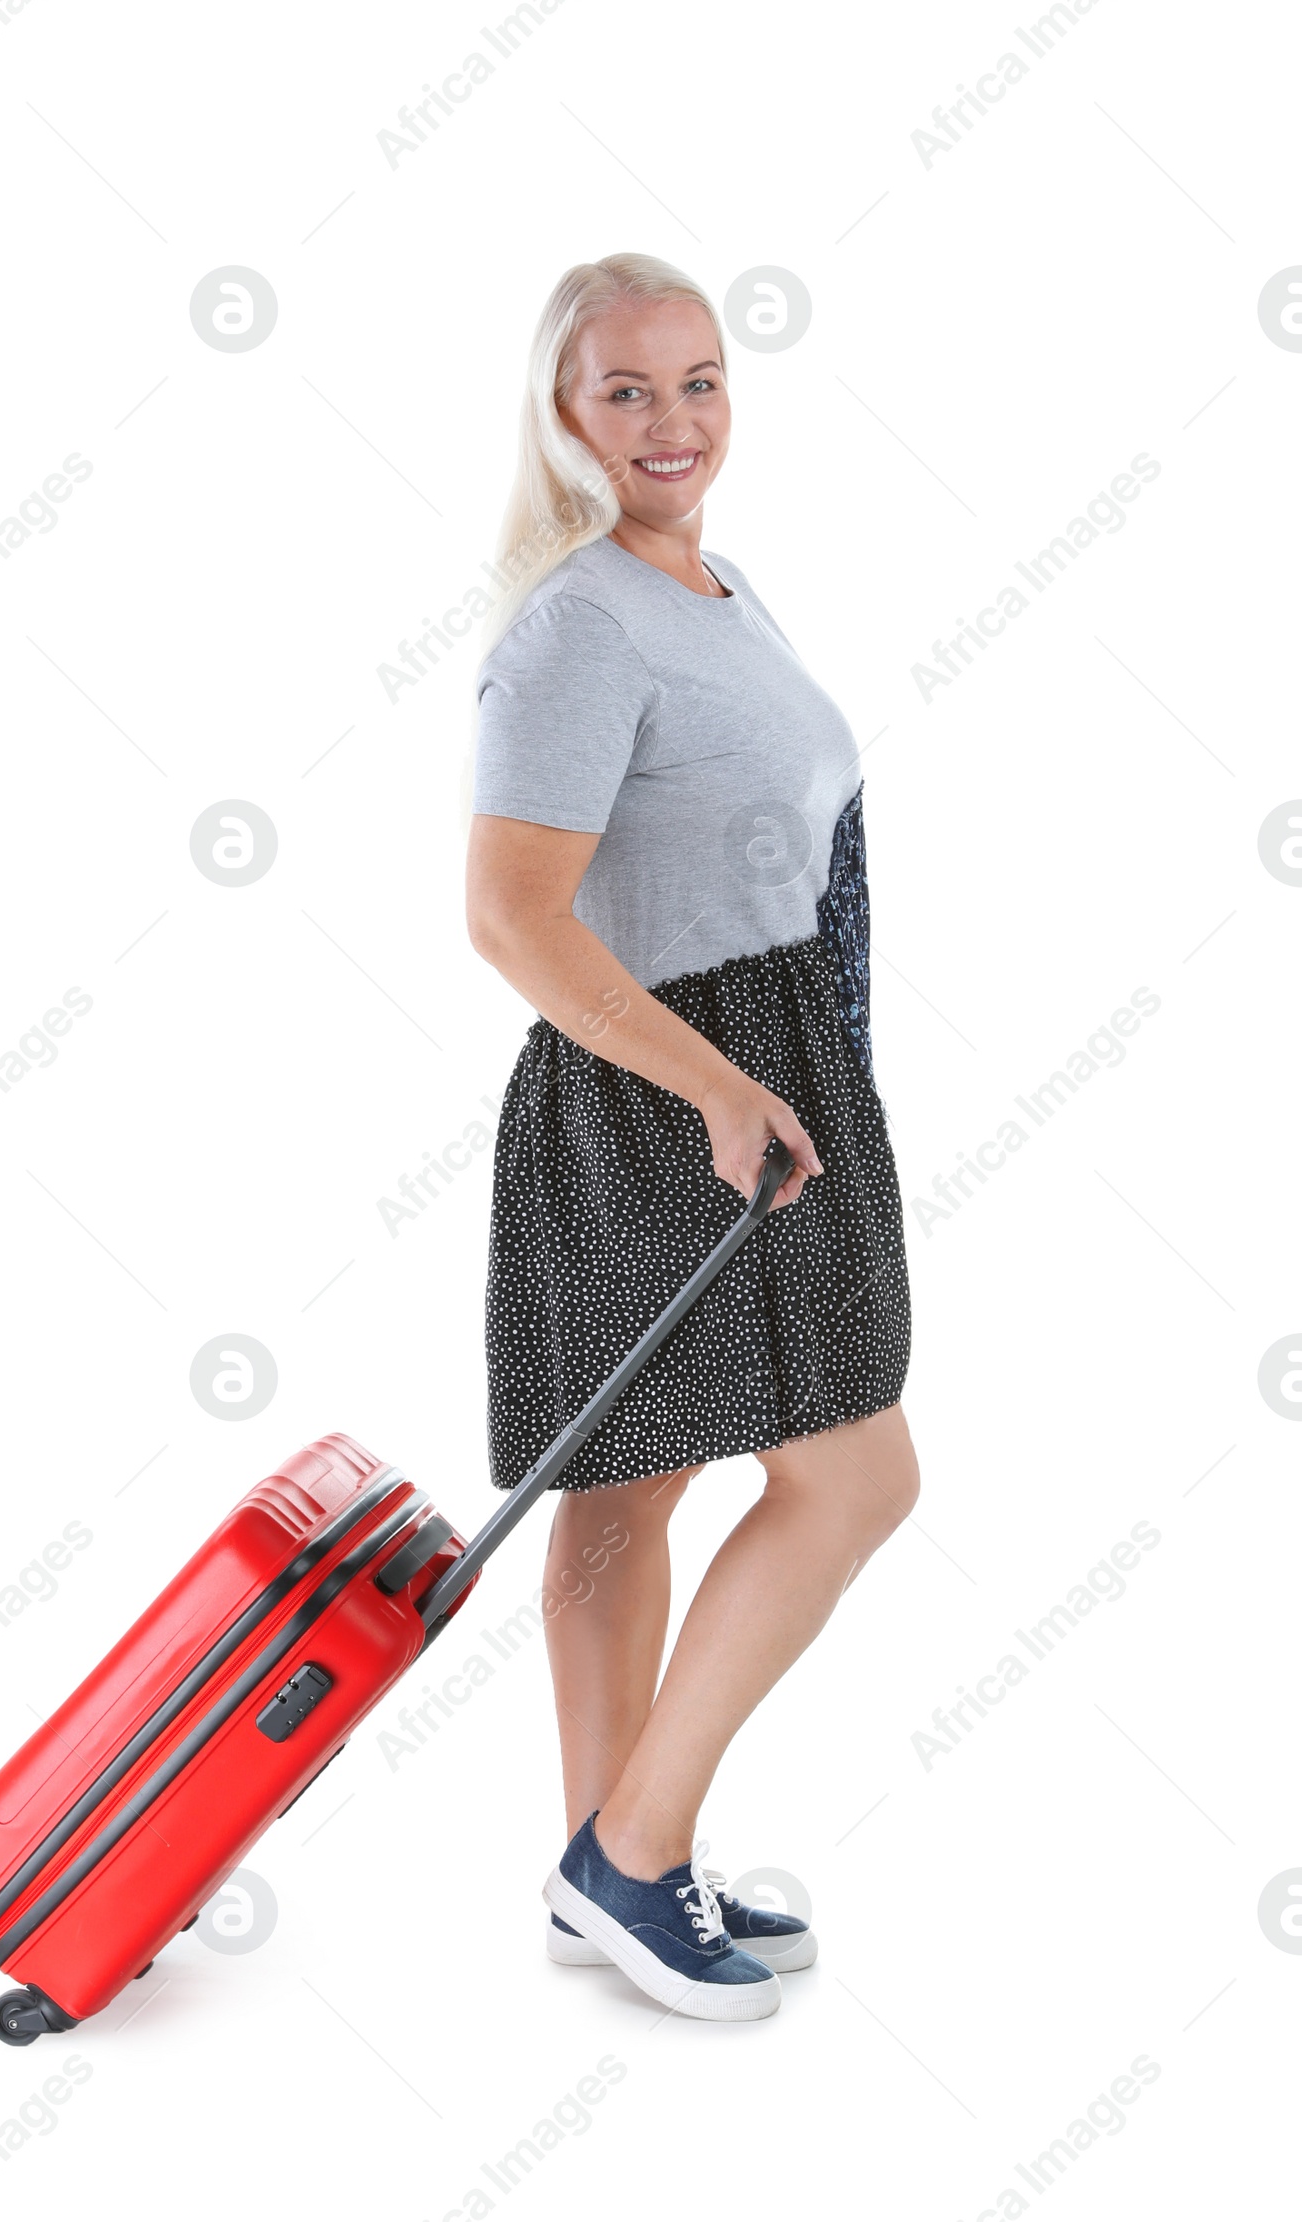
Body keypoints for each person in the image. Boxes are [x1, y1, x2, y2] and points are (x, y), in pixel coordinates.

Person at [465, 252, 919, 2023]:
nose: (675, 421)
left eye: (701, 381)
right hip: (671, 1088)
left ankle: (605, 1863)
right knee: (856, 1475)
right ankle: (634, 1851)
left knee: (629, 1494)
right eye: (628, 392)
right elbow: (510, 916)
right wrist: (724, 1085)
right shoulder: (579, 619)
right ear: (564, 418)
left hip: (762, 1056)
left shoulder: (715, 587)